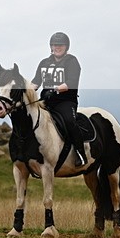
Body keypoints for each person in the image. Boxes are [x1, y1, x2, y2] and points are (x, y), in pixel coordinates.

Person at [30, 32, 86, 166]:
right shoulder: (44, 63)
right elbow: (36, 82)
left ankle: (80, 153)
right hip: (46, 101)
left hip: (65, 101)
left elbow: (71, 82)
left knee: (69, 121)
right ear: (51, 46)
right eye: (55, 45)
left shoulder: (72, 61)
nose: (58, 47)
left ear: (66, 47)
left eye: (61, 45)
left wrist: (55, 90)